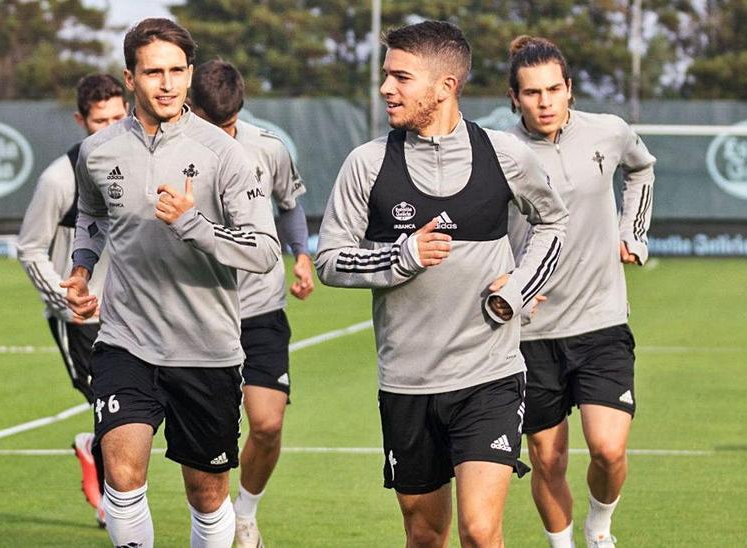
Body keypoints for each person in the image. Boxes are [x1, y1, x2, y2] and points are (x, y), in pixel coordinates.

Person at [316, 21, 568, 548]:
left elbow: (552, 224)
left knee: (480, 530)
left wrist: (517, 289)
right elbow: (330, 261)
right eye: (387, 76)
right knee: (426, 534)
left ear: (445, 86)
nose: (386, 88)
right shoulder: (367, 164)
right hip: (406, 383)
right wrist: (402, 255)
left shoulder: (503, 154)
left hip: (488, 376)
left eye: (401, 78)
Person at [61, 18, 279, 548]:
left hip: (205, 347)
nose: (166, 83)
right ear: (129, 78)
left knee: (206, 494)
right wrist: (83, 267)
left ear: (190, 74)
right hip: (126, 340)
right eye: (153, 71)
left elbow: (265, 251)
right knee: (123, 474)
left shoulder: (225, 154)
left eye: (177, 71)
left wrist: (192, 224)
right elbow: (91, 215)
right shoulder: (98, 151)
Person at [504, 35, 656, 548]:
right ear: (514, 98)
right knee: (548, 460)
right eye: (531, 93)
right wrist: (506, 282)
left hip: (601, 322)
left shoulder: (608, 132)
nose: (544, 102)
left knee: (609, 450)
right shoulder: (497, 150)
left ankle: (599, 526)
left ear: (569, 90)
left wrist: (632, 231)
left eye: (553, 89)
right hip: (530, 332)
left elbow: (642, 167)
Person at [188, 59, 315, 548]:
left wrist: (301, 254)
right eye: (212, 122)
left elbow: (288, 205)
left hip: (260, 309)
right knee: (209, 435)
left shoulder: (268, 148)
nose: (223, 133)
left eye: (229, 123)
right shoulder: (171, 152)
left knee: (266, 423)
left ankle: (245, 514)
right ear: (189, 107)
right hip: (198, 311)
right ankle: (211, 523)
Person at [16, 73, 127, 526]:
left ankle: (92, 451)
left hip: (131, 311)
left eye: (120, 116)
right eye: (101, 121)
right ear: (81, 120)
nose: (113, 127)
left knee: (138, 408)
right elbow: (29, 249)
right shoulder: (59, 180)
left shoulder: (140, 162)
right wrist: (66, 300)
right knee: (111, 408)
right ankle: (114, 505)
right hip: (80, 317)